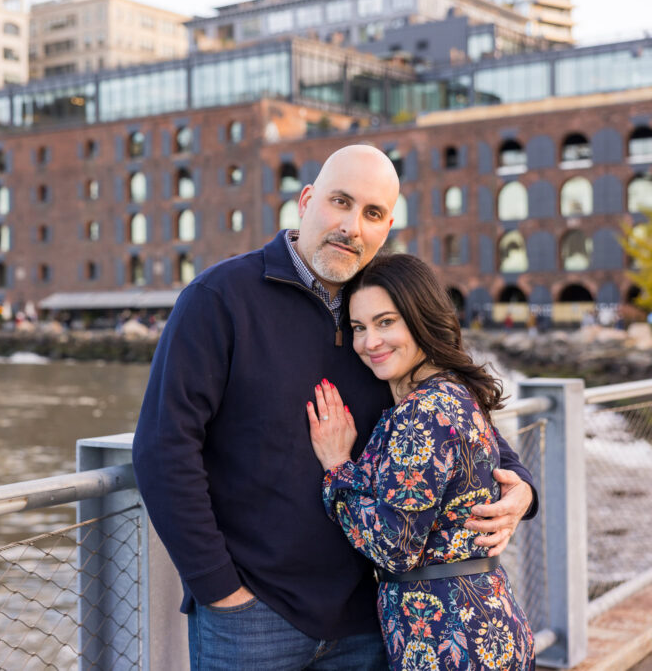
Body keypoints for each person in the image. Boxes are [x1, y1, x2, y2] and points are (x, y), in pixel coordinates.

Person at [132, 144, 537, 669]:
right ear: (306, 201)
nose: (351, 226)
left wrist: (521, 485)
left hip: (368, 616)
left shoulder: (381, 315)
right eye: (339, 202)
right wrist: (219, 590)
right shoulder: (220, 298)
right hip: (252, 616)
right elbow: (164, 449)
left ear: (386, 228)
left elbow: (457, 416)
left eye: (371, 214)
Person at [307, 253, 535, 670]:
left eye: (385, 322)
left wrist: (338, 466)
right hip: (479, 625)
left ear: (420, 317)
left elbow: (395, 548)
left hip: (448, 638)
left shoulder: (423, 412)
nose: (368, 342)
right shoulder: (451, 391)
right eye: (359, 327)